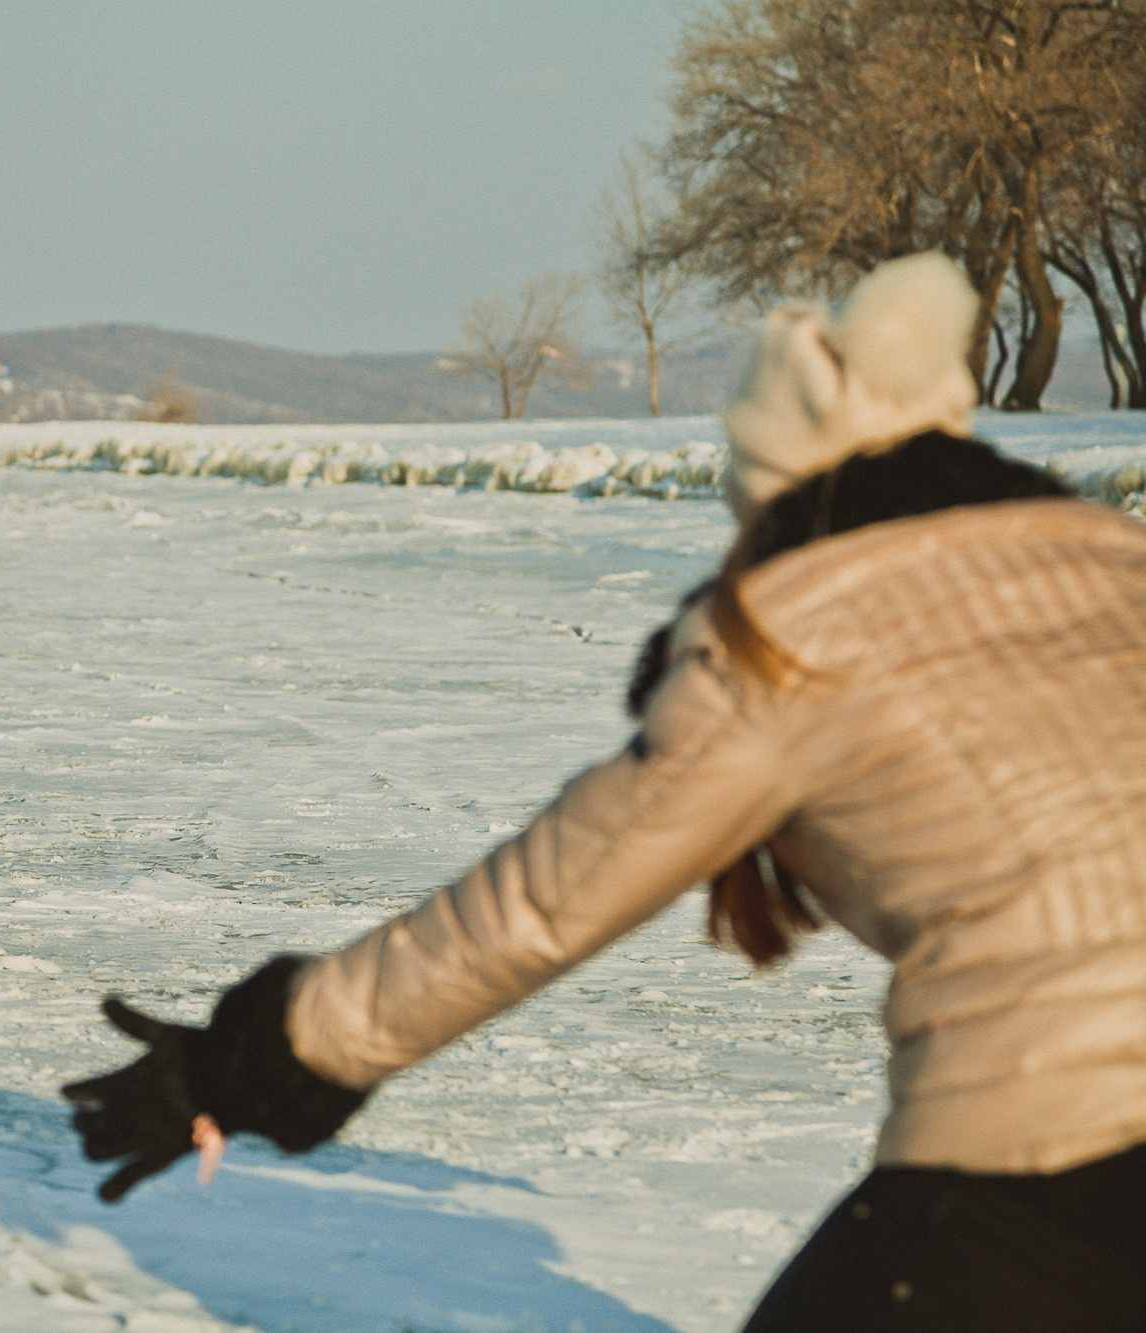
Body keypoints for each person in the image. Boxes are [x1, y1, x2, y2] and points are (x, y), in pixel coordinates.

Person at [64, 253, 1146, 1330]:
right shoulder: (1113, 561)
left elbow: (533, 911)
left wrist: (250, 1058)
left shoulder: (791, 639)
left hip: (1052, 1135)